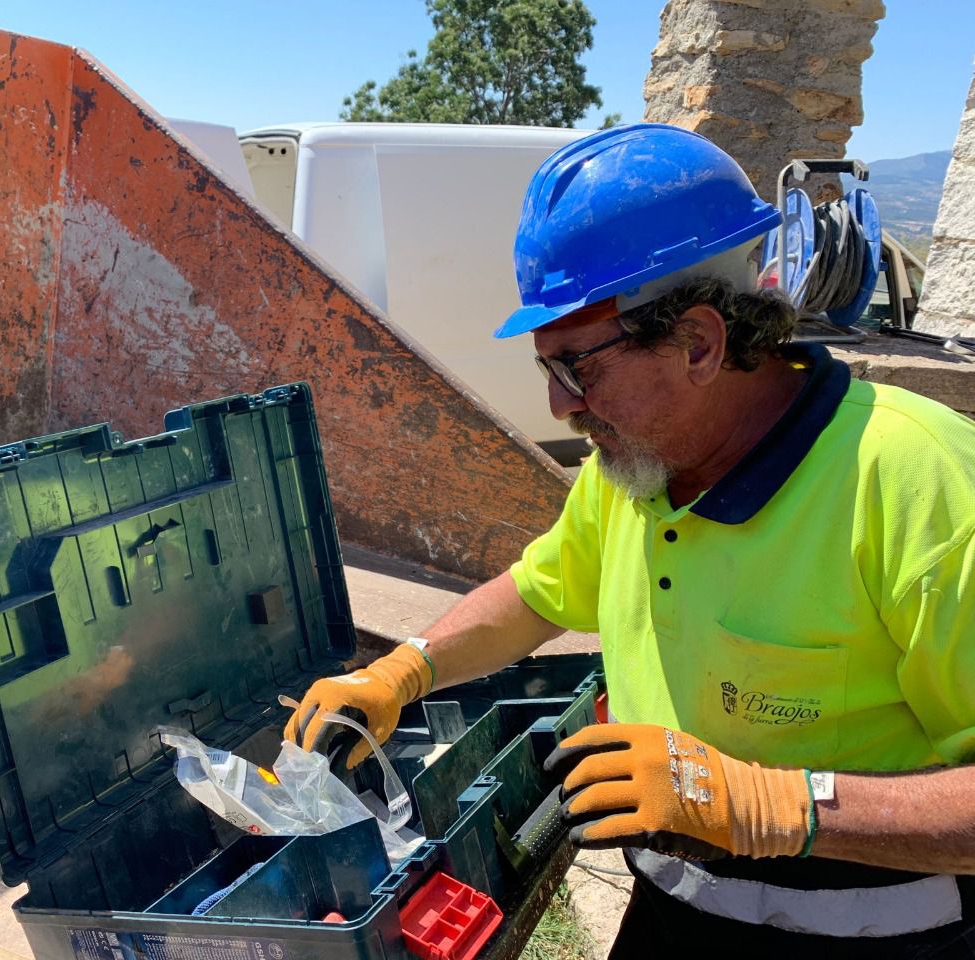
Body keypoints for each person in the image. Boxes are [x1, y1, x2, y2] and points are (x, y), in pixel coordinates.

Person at [283, 123, 975, 957]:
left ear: (699, 343)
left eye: (578, 369)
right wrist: (406, 668)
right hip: (677, 912)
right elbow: (538, 593)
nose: (560, 408)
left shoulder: (918, 482)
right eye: (548, 371)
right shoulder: (636, 472)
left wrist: (765, 805)